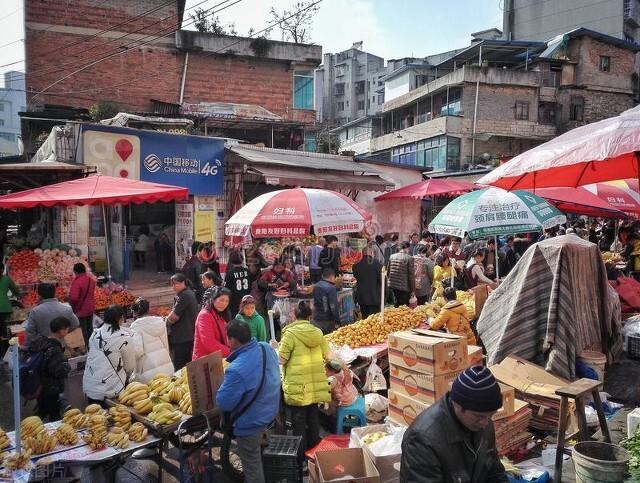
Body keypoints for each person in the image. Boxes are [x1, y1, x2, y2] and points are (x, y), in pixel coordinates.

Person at [400, 366, 507, 482]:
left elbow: (494, 472)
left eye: (491, 415)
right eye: (479, 416)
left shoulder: (483, 423)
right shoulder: (422, 439)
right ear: (457, 405)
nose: (486, 423)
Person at [216, 320, 280, 483]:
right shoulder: (265, 348)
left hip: (251, 424)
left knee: (252, 468)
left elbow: (224, 403)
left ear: (233, 340)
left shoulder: (236, 369)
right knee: (260, 456)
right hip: (270, 412)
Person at [275, 301, 330, 451]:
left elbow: (281, 359)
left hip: (298, 386)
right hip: (314, 386)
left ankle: (301, 461)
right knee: (313, 420)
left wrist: (276, 347)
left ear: (294, 316)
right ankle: (313, 454)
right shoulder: (318, 333)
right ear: (310, 316)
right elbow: (328, 355)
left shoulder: (290, 334)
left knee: (298, 425)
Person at [83, 305, 136, 404]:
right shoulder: (124, 338)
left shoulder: (94, 334)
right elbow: (130, 367)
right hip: (111, 389)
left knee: (95, 417)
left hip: (91, 387)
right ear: (120, 319)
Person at [27, 316, 71, 421]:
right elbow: (56, 370)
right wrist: (67, 366)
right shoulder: (54, 348)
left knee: (43, 408)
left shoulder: (41, 341)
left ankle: (35, 425)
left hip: (39, 384)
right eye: (67, 329)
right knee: (54, 413)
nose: (68, 331)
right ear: (61, 330)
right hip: (50, 387)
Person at [130, 298, 174, 383]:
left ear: (134, 312)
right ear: (148, 310)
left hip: (148, 375)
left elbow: (137, 352)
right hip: (166, 367)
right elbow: (165, 343)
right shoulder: (160, 322)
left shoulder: (135, 327)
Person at [166, 273, 199, 370]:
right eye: (172, 284)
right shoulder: (187, 293)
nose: (173, 286)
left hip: (183, 336)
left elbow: (174, 316)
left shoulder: (184, 295)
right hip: (187, 334)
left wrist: (165, 323)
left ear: (183, 283)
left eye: (175, 284)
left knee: (180, 365)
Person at [192, 286, 231, 360]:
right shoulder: (204, 315)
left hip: (217, 358)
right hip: (204, 361)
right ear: (213, 299)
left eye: (227, 301)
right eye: (221, 300)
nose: (224, 304)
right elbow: (209, 343)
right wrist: (231, 352)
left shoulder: (220, 314)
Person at [68, 262, 96, 344]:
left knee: (82, 330)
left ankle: (85, 347)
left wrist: (69, 300)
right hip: (90, 308)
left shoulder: (77, 282)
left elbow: (74, 298)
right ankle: (92, 345)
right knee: (89, 328)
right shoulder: (91, 280)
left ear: (75, 272)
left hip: (80, 310)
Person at [352, 245, 382, 318]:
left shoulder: (356, 265)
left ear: (362, 253)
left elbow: (356, 277)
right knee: (375, 319)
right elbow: (381, 279)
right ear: (371, 253)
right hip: (374, 296)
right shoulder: (377, 263)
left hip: (362, 297)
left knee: (365, 319)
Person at [312, 268, 340, 334]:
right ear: (331, 276)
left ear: (322, 276)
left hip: (316, 318)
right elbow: (333, 306)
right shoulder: (331, 288)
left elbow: (314, 301)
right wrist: (337, 320)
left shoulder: (316, 285)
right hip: (327, 320)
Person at [388, 241, 416, 307]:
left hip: (392, 285)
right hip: (404, 287)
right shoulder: (409, 258)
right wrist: (413, 290)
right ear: (407, 248)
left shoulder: (392, 256)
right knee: (402, 308)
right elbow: (411, 276)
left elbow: (388, 271)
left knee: (394, 306)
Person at [0, 262, 19, 356]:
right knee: (5, 331)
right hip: (4, 308)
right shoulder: (6, 279)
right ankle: (5, 353)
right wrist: (19, 297)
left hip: (3, 308)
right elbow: (16, 291)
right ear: (2, 270)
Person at [224, 250, 251, 317]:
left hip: (234, 303)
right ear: (242, 260)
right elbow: (250, 285)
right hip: (247, 300)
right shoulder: (247, 271)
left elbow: (226, 289)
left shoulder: (230, 273)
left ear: (231, 261)